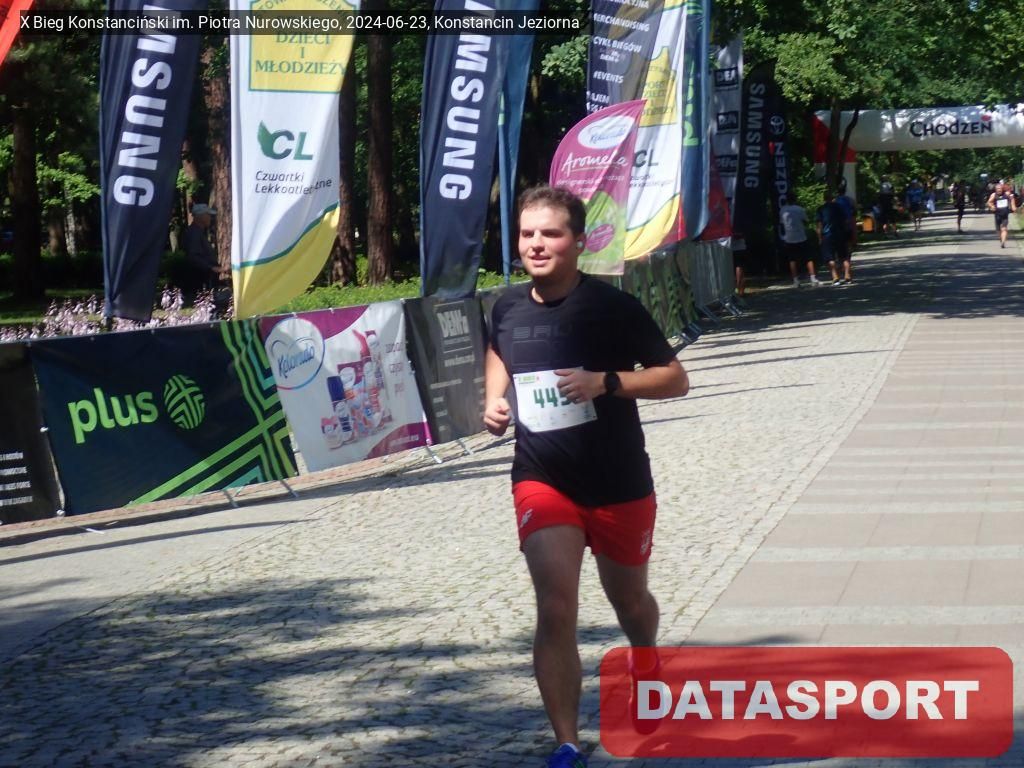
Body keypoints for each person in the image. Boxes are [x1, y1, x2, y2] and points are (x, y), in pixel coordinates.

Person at [484, 185, 689, 768]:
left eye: (550, 234)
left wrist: (608, 382)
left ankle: (645, 656)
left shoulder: (611, 307)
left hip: (618, 480)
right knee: (555, 605)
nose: (536, 244)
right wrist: (493, 398)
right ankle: (567, 742)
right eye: (527, 233)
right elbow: (498, 351)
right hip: (542, 477)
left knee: (630, 601)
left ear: (577, 242)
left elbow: (675, 379)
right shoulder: (506, 306)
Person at [183, 203, 226, 298]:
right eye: (208, 215)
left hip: (206, 279)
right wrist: (212, 268)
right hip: (201, 281)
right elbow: (193, 257)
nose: (210, 218)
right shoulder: (194, 234)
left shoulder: (198, 232)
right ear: (201, 216)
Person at [779, 194, 819, 287]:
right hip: (801, 236)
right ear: (795, 199)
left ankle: (796, 280)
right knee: (808, 258)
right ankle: (813, 278)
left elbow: (782, 224)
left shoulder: (783, 210)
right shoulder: (800, 209)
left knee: (792, 259)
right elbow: (806, 221)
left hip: (789, 238)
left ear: (787, 200)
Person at [817, 190, 851, 285]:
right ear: (832, 198)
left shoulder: (821, 209)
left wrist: (819, 238)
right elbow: (846, 220)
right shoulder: (839, 207)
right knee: (844, 256)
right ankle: (847, 276)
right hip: (840, 234)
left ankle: (835, 277)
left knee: (830, 258)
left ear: (824, 199)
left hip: (827, 235)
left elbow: (819, 225)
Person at [987, 182, 1017, 248]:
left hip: (1005, 214)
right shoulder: (993, 195)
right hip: (997, 214)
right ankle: (1001, 239)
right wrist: (991, 206)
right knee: (998, 230)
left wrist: (1013, 206)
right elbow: (989, 202)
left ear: (1002, 189)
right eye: (997, 189)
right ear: (995, 189)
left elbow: (1012, 199)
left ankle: (1003, 242)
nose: (999, 190)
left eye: (1000, 188)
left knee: (1004, 228)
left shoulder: (1007, 194)